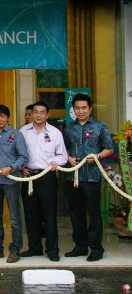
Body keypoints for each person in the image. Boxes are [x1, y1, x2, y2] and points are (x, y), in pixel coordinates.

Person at [64, 93, 113, 261]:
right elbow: (64, 149)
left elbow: (109, 148)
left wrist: (98, 156)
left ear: (90, 109)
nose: (81, 111)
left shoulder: (100, 126)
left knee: (93, 213)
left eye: (84, 108)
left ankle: (96, 248)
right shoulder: (70, 128)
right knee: (76, 213)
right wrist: (68, 158)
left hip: (92, 177)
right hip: (74, 177)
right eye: (77, 108)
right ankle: (80, 246)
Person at [19, 101, 68, 262]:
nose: (38, 115)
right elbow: (16, 154)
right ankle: (34, 247)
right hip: (28, 177)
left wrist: (56, 163)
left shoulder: (54, 133)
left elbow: (63, 156)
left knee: (49, 214)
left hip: (47, 177)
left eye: (42, 112)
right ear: (31, 114)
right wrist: (21, 168)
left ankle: (52, 249)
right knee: (31, 214)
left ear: (47, 115)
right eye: (35, 112)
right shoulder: (23, 132)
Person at [0, 104, 28, 263]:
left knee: (15, 217)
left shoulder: (17, 135)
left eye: (2, 116)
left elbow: (23, 157)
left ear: (8, 118)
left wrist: (11, 168)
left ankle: (15, 249)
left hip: (11, 182)